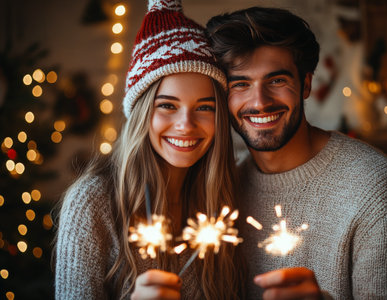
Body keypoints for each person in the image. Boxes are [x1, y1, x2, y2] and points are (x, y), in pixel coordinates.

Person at [206, 6, 387, 300]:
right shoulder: (225, 187)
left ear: (305, 84)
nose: (260, 102)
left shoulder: (379, 193)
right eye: (240, 84)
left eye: (277, 81)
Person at [54, 0, 244, 299]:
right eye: (167, 105)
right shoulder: (93, 203)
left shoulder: (224, 195)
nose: (186, 125)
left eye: (204, 107)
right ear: (141, 113)